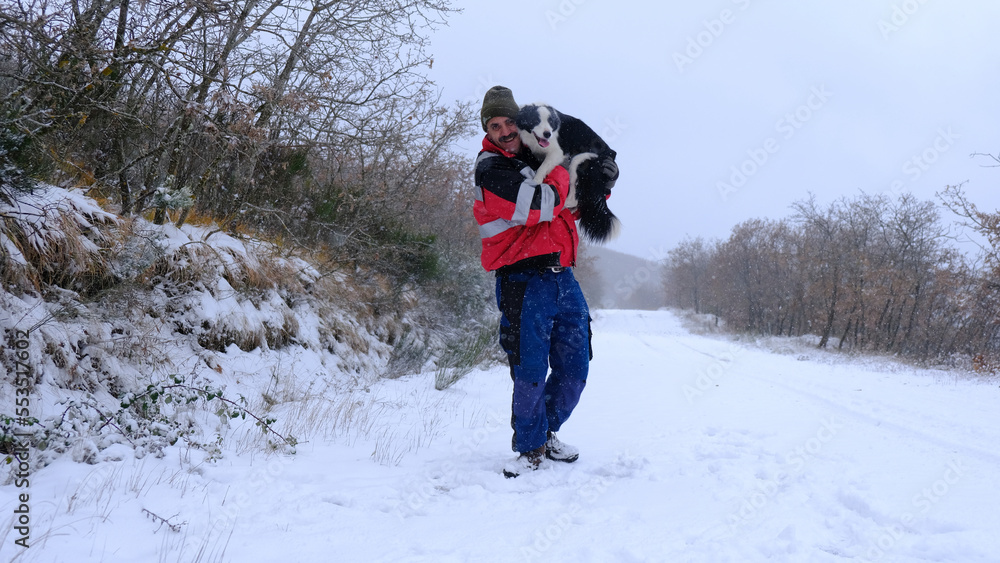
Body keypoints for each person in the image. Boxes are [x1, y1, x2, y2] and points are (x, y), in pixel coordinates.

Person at [472, 86, 618, 477]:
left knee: (576, 365)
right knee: (530, 369)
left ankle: (547, 431)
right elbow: (538, 205)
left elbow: (571, 202)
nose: (505, 131)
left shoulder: (534, 153)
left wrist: (602, 178)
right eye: (494, 125)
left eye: (508, 122)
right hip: (522, 279)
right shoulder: (491, 168)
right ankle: (529, 447)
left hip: (563, 276)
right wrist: (563, 167)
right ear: (487, 130)